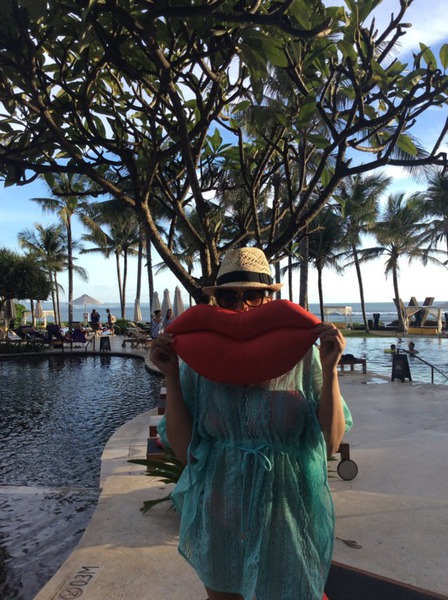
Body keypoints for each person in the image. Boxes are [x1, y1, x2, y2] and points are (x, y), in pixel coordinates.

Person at [150, 247, 352, 600]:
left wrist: (331, 368)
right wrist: (170, 373)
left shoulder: (303, 358)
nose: (241, 306)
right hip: (220, 512)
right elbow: (185, 451)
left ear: (269, 299)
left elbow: (331, 442)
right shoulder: (200, 363)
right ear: (216, 301)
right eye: (229, 297)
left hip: (286, 511)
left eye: (252, 296)